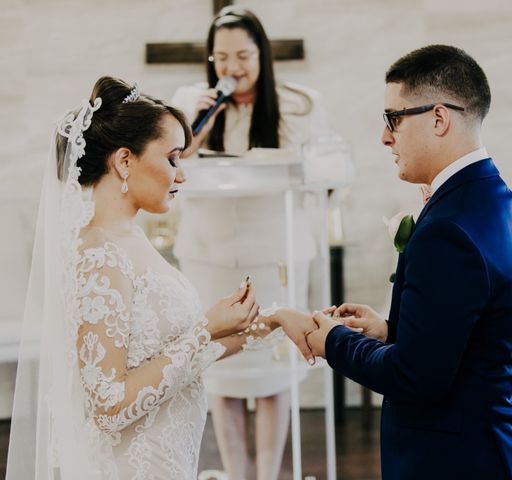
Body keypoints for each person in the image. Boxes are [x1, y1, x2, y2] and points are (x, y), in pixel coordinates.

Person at [5, 76, 316, 480]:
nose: (182, 176)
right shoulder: (99, 256)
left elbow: (177, 359)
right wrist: (205, 329)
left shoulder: (130, 238)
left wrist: (276, 321)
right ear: (124, 161)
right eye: (172, 159)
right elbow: (109, 407)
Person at [291, 45, 512, 479]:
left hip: (460, 459)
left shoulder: (449, 229)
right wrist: (392, 330)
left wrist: (332, 340)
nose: (384, 137)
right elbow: (472, 338)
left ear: (439, 118)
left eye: (393, 119)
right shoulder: (496, 199)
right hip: (494, 447)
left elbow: (416, 379)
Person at [171, 7, 329, 480]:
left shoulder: (298, 103)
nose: (231, 67)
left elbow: (319, 172)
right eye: (221, 58)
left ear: (262, 54)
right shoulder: (187, 104)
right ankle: (238, 475)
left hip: (273, 249)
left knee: (271, 368)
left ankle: (268, 473)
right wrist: (192, 121)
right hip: (209, 251)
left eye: (242, 55)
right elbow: (170, 164)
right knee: (222, 367)